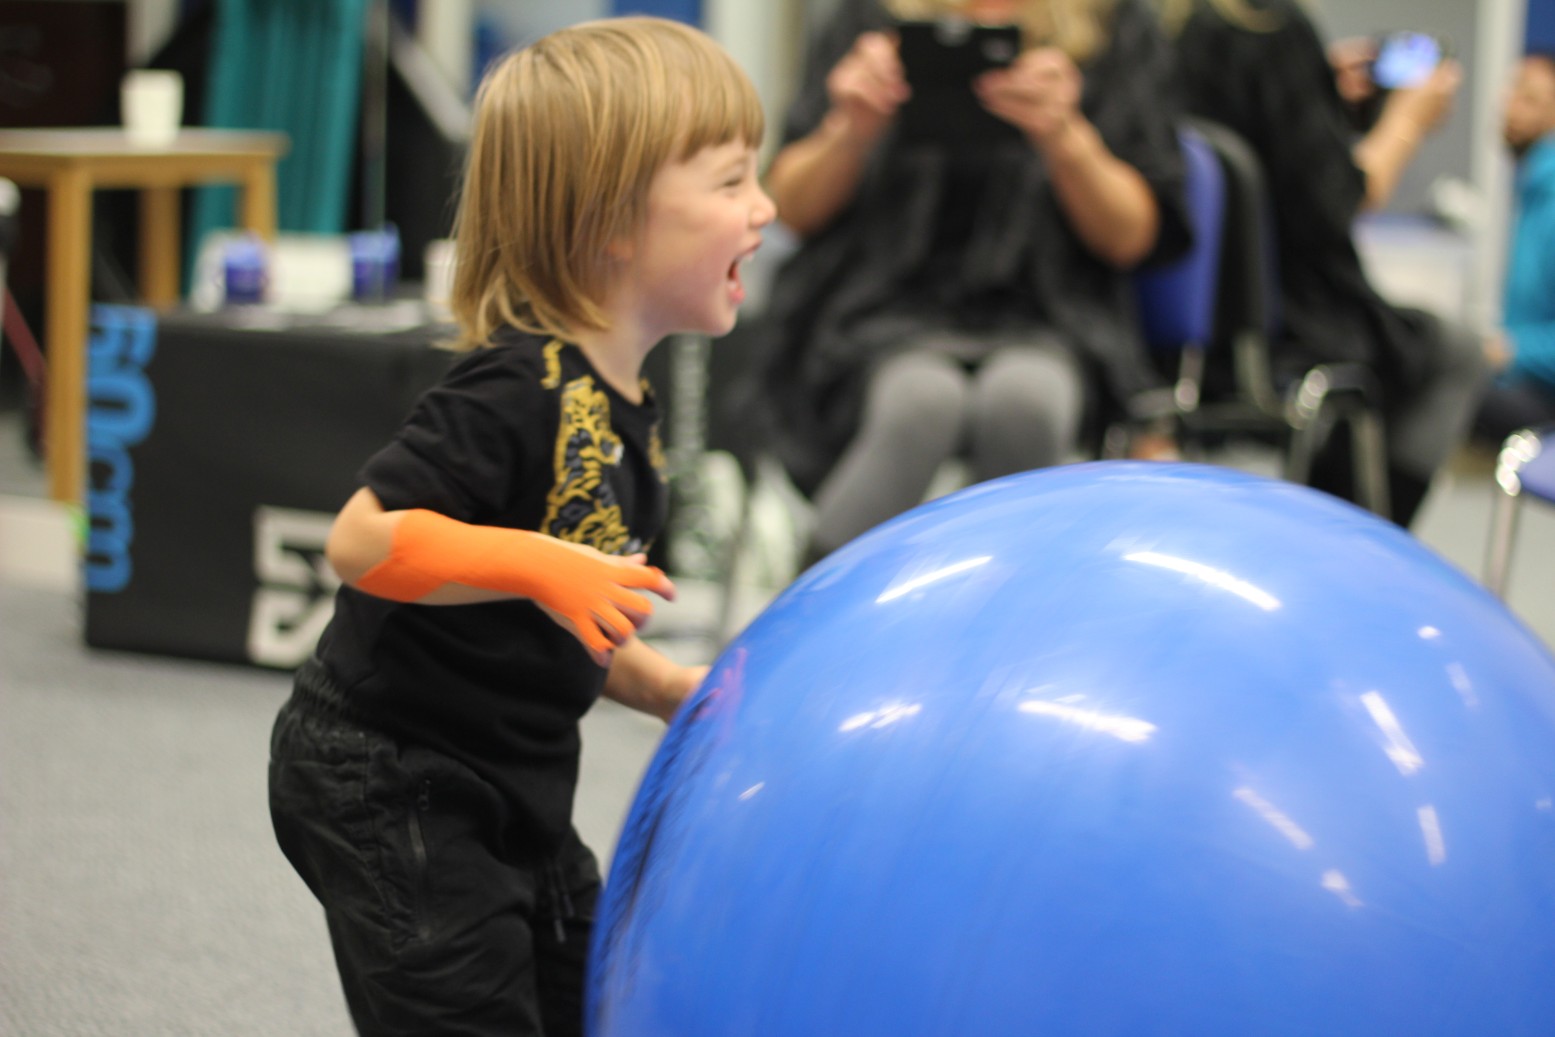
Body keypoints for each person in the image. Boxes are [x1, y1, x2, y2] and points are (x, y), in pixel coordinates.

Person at [266, 18, 774, 1037]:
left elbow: (565, 613)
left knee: (584, 998)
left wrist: (665, 685)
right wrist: (543, 564)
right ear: (611, 219)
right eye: (729, 183)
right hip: (390, 774)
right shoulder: (517, 382)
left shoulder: (626, 402)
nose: (762, 208)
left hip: (514, 778)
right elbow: (362, 540)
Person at [753, 0, 1190, 562]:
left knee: (1026, 401)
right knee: (921, 401)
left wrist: (1067, 138)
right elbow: (789, 206)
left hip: (1050, 317)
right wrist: (850, 129)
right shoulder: (867, 18)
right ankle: (820, 613)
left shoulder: (1116, 25)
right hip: (876, 314)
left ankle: (1008, 622)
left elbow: (1134, 238)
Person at [1161, 0, 1488, 526]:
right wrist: (1407, 119)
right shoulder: (1272, 30)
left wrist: (1319, 94)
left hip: (1185, 332)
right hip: (1286, 326)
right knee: (1457, 353)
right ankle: (1362, 546)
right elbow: (1341, 201)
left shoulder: (1173, 30)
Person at [1475, 52, 1555, 444]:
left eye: (1529, 97)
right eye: (1510, 90)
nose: (1508, 104)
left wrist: (1510, 350)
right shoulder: (1534, 189)